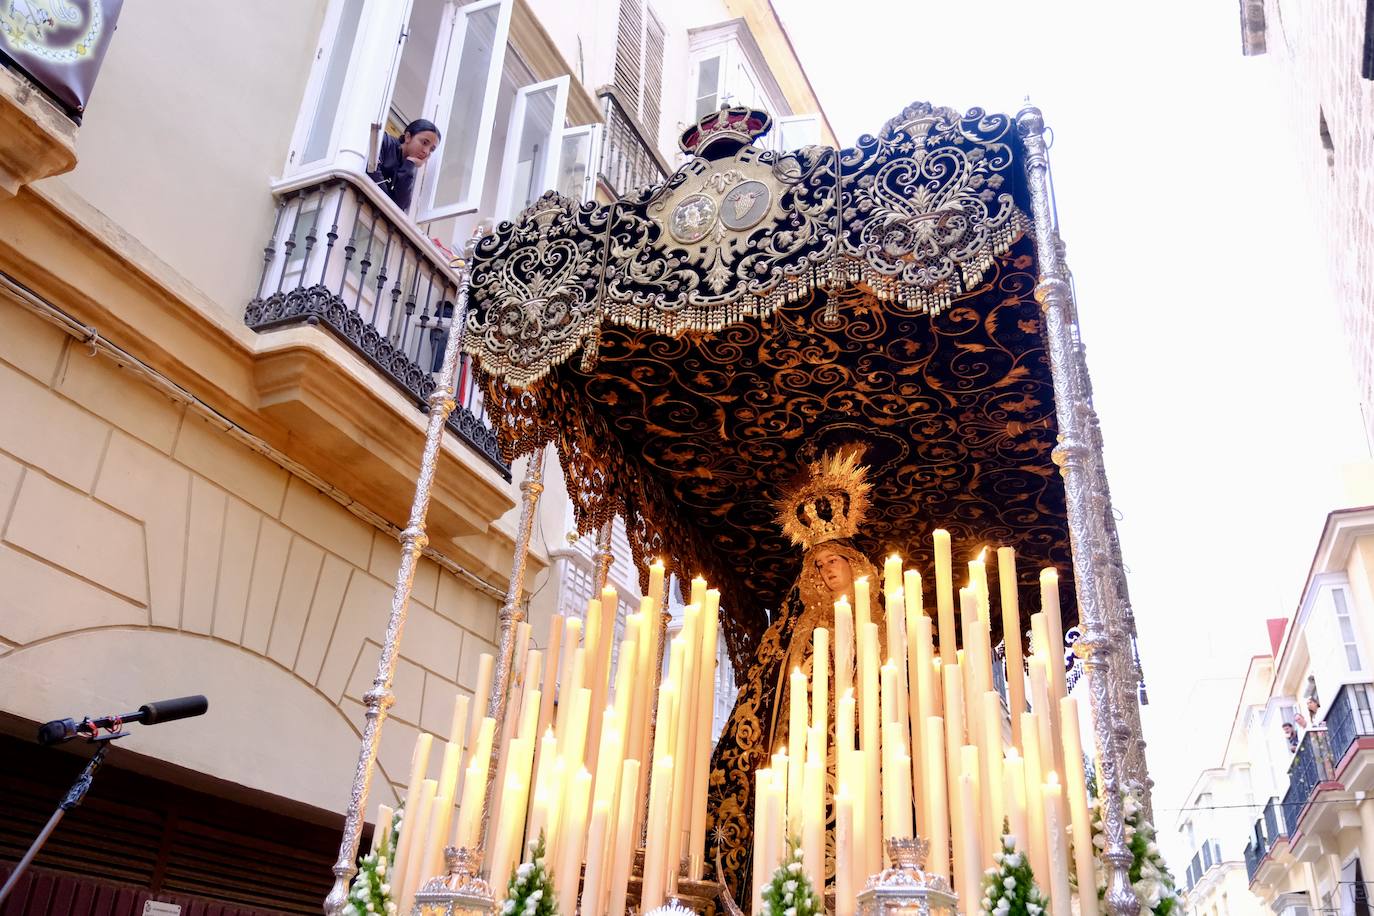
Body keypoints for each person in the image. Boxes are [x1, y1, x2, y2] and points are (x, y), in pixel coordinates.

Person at [706, 448, 886, 906]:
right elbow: (773, 689)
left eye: (834, 562)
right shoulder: (798, 624)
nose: (827, 571)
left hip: (871, 742)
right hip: (809, 746)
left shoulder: (886, 620)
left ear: (854, 563)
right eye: (819, 565)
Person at [367, 118, 441, 212]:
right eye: (424, 143)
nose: (426, 151)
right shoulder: (384, 141)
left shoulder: (408, 167)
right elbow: (372, 172)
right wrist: (391, 202)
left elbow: (401, 204)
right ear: (408, 137)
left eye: (431, 150)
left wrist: (410, 164)